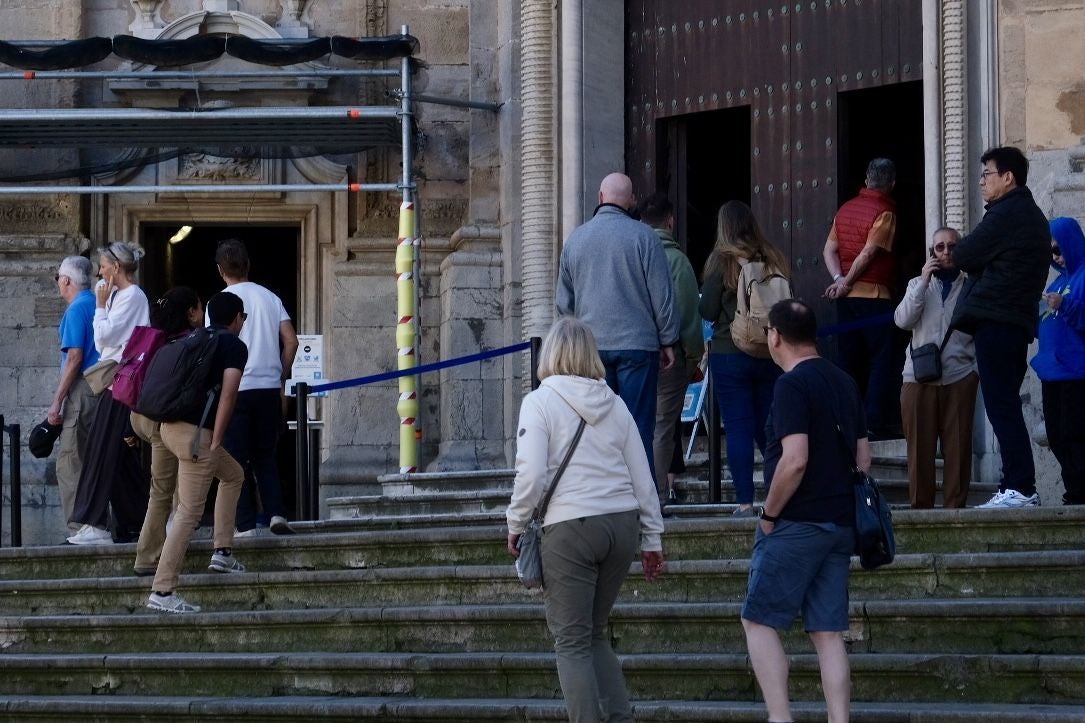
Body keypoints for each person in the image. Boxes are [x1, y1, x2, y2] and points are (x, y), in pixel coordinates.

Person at [506, 316, 665, 723]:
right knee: (594, 634)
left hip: (570, 527)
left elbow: (531, 474)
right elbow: (641, 474)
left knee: (572, 642)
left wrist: (516, 522)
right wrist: (652, 539)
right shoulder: (616, 403)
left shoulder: (539, 401)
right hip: (621, 524)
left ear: (550, 354)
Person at [741, 299, 867, 723]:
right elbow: (862, 458)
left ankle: (780, 717)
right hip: (841, 522)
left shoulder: (791, 385)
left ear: (775, 336)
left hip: (797, 521)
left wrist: (769, 514)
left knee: (758, 621)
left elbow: (794, 459)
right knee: (828, 634)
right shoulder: (845, 381)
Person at [555, 173, 680, 474]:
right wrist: (668, 339)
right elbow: (662, 297)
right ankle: (642, 504)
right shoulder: (645, 237)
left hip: (591, 350)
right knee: (638, 429)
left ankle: (602, 501)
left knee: (595, 428)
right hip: (638, 346)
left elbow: (563, 304)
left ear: (599, 198)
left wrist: (572, 347)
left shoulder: (576, 240)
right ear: (632, 200)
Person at [951, 147, 1051, 508]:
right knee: (1003, 404)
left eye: (986, 174)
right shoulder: (1028, 214)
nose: (980, 182)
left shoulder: (1008, 212)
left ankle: (1020, 487)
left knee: (1001, 405)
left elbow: (964, 253)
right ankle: (1018, 485)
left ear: (1008, 177)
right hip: (1011, 320)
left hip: (999, 319)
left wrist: (975, 261)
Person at [147, 291, 249, 614]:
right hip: (198, 437)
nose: (243, 323)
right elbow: (229, 395)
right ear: (236, 319)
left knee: (233, 475)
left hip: (169, 429)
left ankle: (223, 551)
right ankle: (162, 590)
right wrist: (217, 438)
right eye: (243, 318)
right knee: (189, 513)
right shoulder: (233, 345)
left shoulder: (195, 338)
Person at [699, 201, 788, 516]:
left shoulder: (722, 262)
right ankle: (783, 496)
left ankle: (746, 502)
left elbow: (707, 310)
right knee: (769, 427)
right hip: (768, 351)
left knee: (737, 427)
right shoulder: (772, 257)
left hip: (730, 352)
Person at [213, 239, 299, 535]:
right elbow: (291, 341)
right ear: (247, 264)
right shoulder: (270, 297)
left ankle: (245, 524)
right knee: (266, 456)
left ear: (220, 270)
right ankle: (276, 513)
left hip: (235, 388)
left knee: (236, 459)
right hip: (267, 388)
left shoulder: (219, 302)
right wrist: (280, 375)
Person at [67, 241, 150, 545]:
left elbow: (104, 337)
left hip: (120, 382)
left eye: (102, 265)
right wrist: (104, 306)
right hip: (114, 379)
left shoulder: (131, 297)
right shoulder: (119, 296)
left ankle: (95, 524)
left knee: (101, 449)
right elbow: (103, 344)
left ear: (116, 268)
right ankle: (142, 519)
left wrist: (100, 308)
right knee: (117, 455)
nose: (99, 271)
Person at [894, 227, 978, 508]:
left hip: (959, 376)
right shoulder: (916, 285)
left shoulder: (971, 285)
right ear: (931, 252)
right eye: (939, 248)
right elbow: (903, 321)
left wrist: (972, 367)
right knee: (919, 449)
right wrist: (922, 281)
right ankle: (921, 511)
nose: (946, 253)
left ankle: (955, 510)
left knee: (958, 447)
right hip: (918, 379)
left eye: (952, 247)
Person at [822, 157, 899, 439]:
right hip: (875, 296)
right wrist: (847, 282)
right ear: (892, 184)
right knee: (881, 359)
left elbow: (828, 251)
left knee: (848, 359)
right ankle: (872, 422)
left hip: (846, 299)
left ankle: (844, 420)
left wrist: (839, 282)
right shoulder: (885, 212)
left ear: (867, 180)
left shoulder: (844, 210)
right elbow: (868, 254)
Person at [131, 287, 204, 576]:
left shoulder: (154, 340)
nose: (202, 313)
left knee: (167, 488)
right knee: (165, 491)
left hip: (141, 416)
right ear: (190, 313)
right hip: (166, 422)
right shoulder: (190, 344)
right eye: (199, 307)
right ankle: (151, 557)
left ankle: (160, 551)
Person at [636, 192, 702, 505]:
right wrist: (693, 356)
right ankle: (658, 495)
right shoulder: (676, 260)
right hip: (667, 355)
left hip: (630, 352)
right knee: (662, 426)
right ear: (671, 221)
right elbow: (688, 313)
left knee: (634, 423)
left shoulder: (630, 255)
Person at [1031, 217, 1085, 506]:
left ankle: (1079, 494)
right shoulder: (1057, 281)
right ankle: (1076, 490)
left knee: (1075, 434)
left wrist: (1065, 305)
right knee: (1056, 435)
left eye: (1058, 248)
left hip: (1078, 371)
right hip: (1052, 372)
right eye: (1050, 252)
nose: (1056, 256)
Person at [47, 256, 100, 535]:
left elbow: (75, 357)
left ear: (66, 280)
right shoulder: (95, 302)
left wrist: (57, 401)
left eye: (57, 278)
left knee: (70, 461)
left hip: (82, 389)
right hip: (99, 389)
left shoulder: (76, 309)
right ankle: (98, 524)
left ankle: (81, 527)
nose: (58, 283)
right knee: (92, 458)